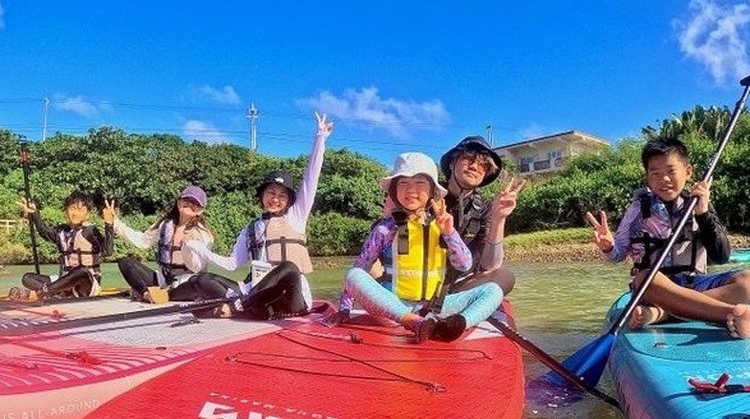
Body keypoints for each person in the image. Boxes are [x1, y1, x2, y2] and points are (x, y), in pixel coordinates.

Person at [587, 136, 750, 339]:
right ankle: (727, 315)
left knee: (747, 280)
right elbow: (617, 254)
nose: (664, 179)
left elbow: (721, 256)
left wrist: (703, 213)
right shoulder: (638, 209)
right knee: (644, 278)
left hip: (694, 283)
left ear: (687, 172)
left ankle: (662, 314)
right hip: (655, 290)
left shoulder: (699, 203)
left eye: (671, 171)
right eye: (655, 174)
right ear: (647, 177)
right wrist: (608, 246)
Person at [334, 152, 504, 343]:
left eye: (420, 183)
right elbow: (360, 268)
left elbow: (464, 265)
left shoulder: (442, 225)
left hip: (434, 309)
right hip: (393, 310)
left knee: (493, 290)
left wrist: (449, 233)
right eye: (403, 183)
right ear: (394, 191)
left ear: (432, 191)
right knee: (354, 275)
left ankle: (455, 326)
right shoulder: (385, 229)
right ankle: (413, 322)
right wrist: (344, 310)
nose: (411, 189)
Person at [185, 112, 333, 319]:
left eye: (282, 195)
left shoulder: (296, 217)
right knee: (201, 280)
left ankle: (237, 306)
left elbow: (311, 180)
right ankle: (247, 305)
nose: (275, 199)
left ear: (289, 201)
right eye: (271, 193)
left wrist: (320, 138)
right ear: (262, 196)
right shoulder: (250, 229)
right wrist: (201, 250)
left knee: (289, 268)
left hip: (289, 297)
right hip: (257, 293)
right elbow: (232, 265)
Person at [438, 136, 524, 301]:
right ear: (452, 163)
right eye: (468, 158)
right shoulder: (429, 194)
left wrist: (499, 218)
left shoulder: (484, 207)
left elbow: (489, 265)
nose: (474, 167)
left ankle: (455, 308)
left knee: (504, 277)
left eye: (483, 165)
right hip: (421, 279)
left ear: (485, 174)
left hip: (458, 286)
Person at [104, 185, 214, 303]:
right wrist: (115, 222)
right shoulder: (165, 225)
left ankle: (165, 293)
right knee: (126, 262)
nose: (190, 204)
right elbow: (142, 241)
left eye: (195, 203)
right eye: (186, 200)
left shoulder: (204, 234)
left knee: (201, 282)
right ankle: (146, 294)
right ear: (179, 202)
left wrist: (188, 248)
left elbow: (198, 267)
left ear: (201, 210)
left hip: (187, 282)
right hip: (163, 279)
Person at [10, 190, 114, 300]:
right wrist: (34, 214)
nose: (75, 213)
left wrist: (109, 225)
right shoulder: (62, 231)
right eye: (72, 208)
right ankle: (55, 293)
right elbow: (45, 232)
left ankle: (42, 293)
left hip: (86, 285)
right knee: (27, 278)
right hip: (64, 280)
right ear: (66, 210)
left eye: (80, 210)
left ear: (87, 214)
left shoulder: (90, 232)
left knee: (81, 271)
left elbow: (107, 251)